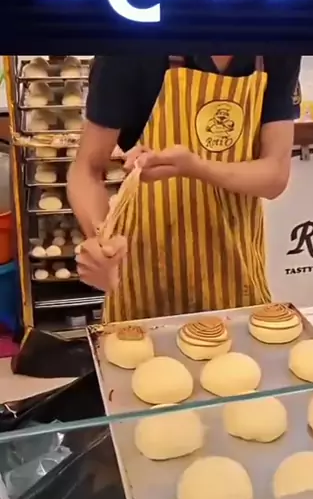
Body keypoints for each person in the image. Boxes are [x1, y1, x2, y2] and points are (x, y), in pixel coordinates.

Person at [68, 55, 301, 321]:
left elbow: (275, 175)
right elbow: (86, 169)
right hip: (142, 270)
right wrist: (101, 240)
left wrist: (196, 167)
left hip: (236, 268)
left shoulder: (276, 48)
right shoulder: (128, 50)